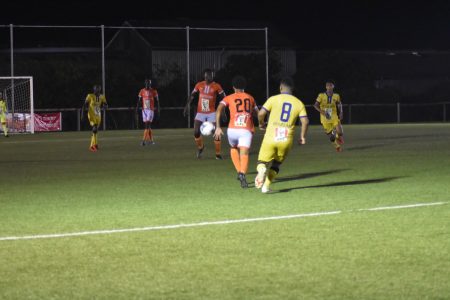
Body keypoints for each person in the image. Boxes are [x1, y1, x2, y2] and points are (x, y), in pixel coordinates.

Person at [255, 77, 309, 193]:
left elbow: (261, 113)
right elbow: (305, 121)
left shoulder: (273, 99)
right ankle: (266, 187)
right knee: (276, 164)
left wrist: (261, 124)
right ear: (292, 89)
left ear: (280, 87)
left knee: (262, 162)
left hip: (270, 137)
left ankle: (261, 171)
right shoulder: (299, 103)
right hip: (286, 139)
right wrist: (302, 137)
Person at [214, 76, 259, 188]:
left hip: (232, 129)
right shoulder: (250, 97)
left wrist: (218, 127)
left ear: (233, 87)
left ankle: (239, 172)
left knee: (233, 148)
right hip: (246, 129)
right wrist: (262, 123)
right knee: (244, 153)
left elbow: (219, 108)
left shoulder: (228, 98)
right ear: (245, 86)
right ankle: (242, 173)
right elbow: (257, 113)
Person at [183, 69, 225, 159]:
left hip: (211, 112)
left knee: (216, 133)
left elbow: (224, 98)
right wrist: (187, 106)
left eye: (210, 76)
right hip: (200, 112)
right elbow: (192, 96)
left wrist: (223, 112)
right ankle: (201, 147)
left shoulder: (216, 86)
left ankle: (218, 154)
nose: (208, 77)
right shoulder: (199, 85)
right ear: (204, 76)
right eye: (207, 76)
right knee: (196, 132)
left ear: (212, 76)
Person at [313, 80, 344, 152]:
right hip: (324, 118)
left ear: (333, 86)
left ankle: (338, 136)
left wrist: (341, 112)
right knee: (331, 137)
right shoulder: (321, 95)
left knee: (340, 132)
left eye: (330, 85)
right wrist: (322, 112)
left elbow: (339, 104)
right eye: (327, 85)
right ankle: (337, 146)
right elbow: (315, 105)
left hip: (334, 115)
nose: (329, 87)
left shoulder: (336, 96)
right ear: (326, 87)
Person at [82, 85, 108, 152]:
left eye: (98, 89)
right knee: (95, 128)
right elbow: (85, 105)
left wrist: (105, 106)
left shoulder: (102, 96)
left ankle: (95, 144)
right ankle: (92, 146)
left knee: (95, 131)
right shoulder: (90, 96)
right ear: (94, 90)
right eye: (96, 89)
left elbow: (105, 104)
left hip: (98, 115)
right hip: (91, 114)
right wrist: (82, 114)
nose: (97, 90)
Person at [136, 79, 159, 146]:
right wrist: (137, 108)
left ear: (150, 84)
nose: (147, 84)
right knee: (148, 126)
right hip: (144, 110)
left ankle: (143, 141)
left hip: (150, 110)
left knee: (147, 125)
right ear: (145, 84)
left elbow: (157, 101)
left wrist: (158, 109)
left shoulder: (154, 91)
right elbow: (139, 101)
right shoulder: (142, 91)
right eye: (146, 83)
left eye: (149, 83)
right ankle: (151, 141)